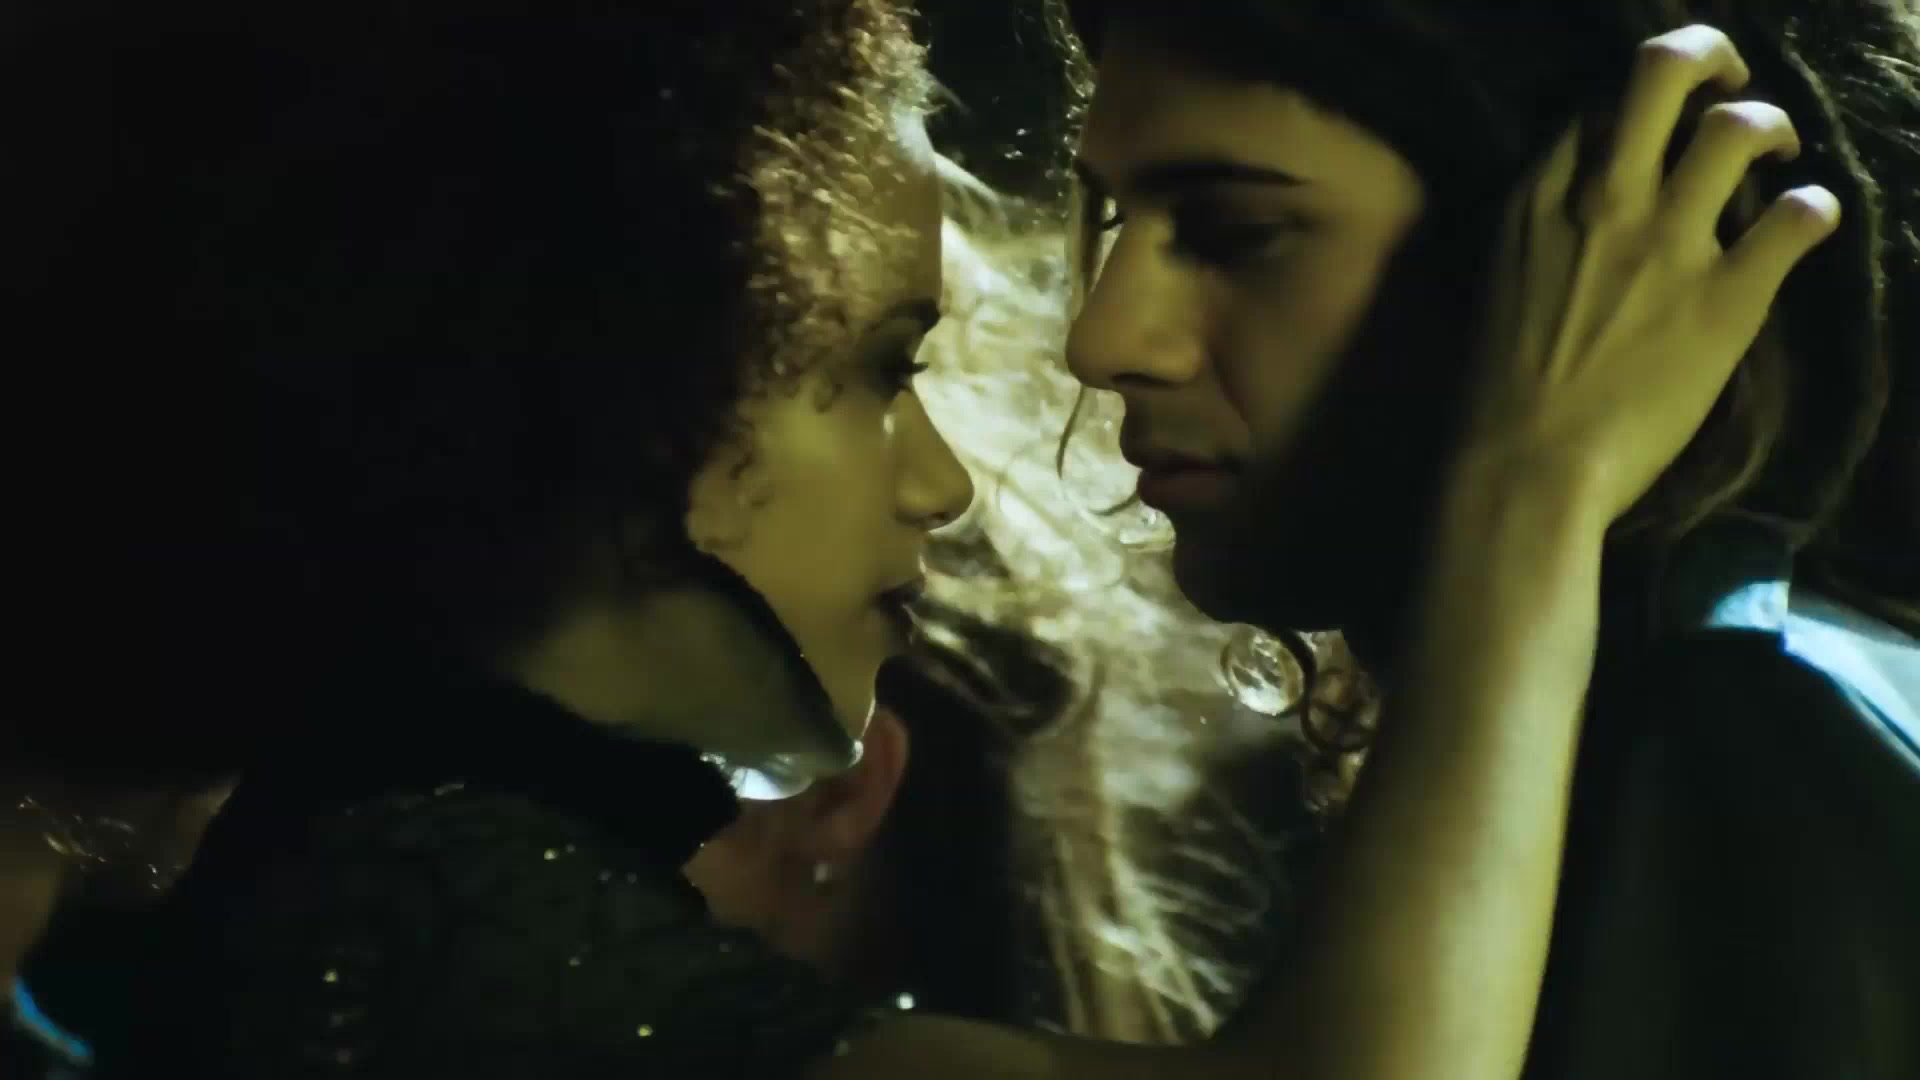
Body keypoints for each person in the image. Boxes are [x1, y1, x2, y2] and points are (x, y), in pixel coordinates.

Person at [53, 3, 1836, 1079]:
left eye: (1230, 229)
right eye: (874, 371)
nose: (954, 482)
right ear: (603, 393)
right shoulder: (422, 891)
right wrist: (1528, 488)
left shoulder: (1783, 740)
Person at [1057, 2, 1918, 1077]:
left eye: (1236, 232)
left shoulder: (1748, 731)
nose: (1102, 340)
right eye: (1110, 221)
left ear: (1592, 234)